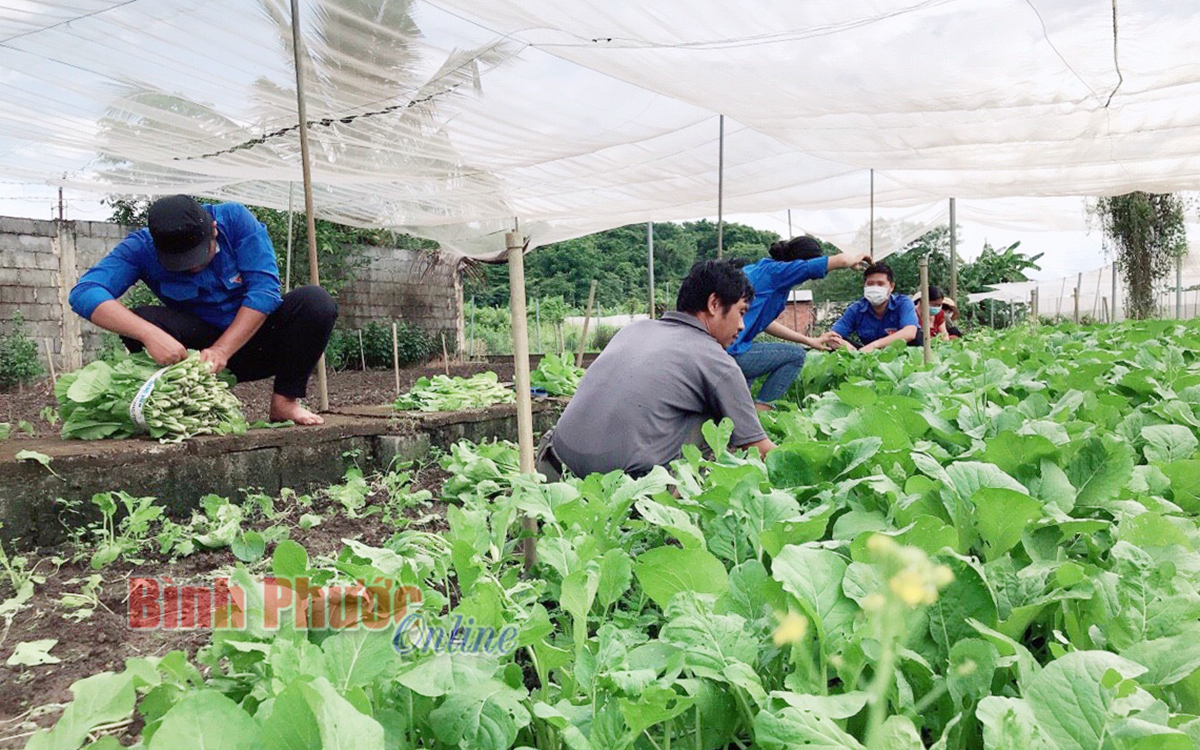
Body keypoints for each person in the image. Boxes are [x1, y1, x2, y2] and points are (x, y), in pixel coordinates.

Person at [68, 194, 337, 425]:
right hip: (198, 356)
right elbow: (84, 293)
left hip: (261, 345)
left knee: (315, 302)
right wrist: (149, 333)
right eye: (180, 263)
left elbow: (264, 292)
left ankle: (284, 403)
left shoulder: (235, 219)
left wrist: (223, 350)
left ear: (214, 230)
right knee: (140, 320)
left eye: (198, 256)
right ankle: (186, 405)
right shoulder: (141, 247)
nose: (192, 268)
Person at [537, 259, 776, 479]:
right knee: (719, 427)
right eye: (741, 312)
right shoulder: (715, 359)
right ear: (714, 304)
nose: (742, 325)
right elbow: (760, 450)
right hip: (620, 492)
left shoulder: (634, 329)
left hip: (553, 469)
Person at [727, 236, 872, 409]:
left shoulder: (763, 270)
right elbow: (839, 260)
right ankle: (761, 413)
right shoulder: (778, 273)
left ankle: (739, 415)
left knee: (743, 386)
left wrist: (808, 340)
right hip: (729, 351)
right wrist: (855, 258)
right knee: (796, 355)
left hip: (725, 347)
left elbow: (764, 322)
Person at [828, 262, 920, 352]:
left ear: (891, 287)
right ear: (864, 285)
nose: (875, 288)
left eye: (880, 284)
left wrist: (875, 345)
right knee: (834, 345)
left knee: (918, 336)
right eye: (870, 284)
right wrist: (849, 348)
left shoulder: (903, 303)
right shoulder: (856, 309)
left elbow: (910, 332)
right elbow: (832, 335)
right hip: (866, 355)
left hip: (900, 355)